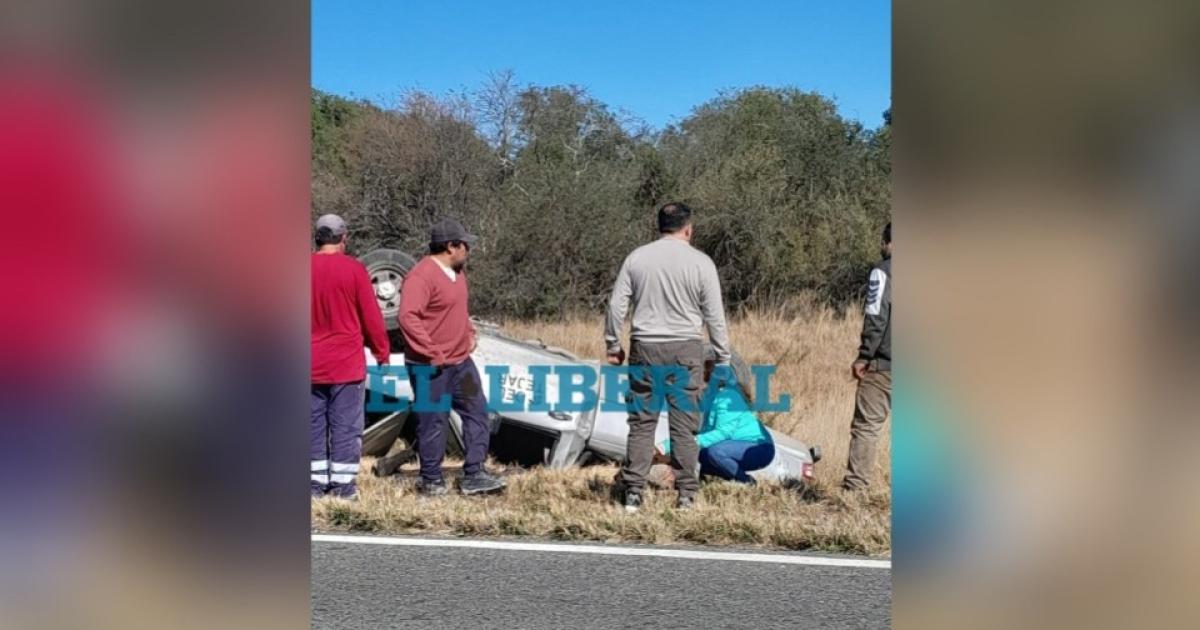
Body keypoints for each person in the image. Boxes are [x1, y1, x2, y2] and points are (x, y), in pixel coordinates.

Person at [605, 202, 732, 512]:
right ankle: (686, 493)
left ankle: (634, 491)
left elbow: (616, 306)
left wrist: (612, 344)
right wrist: (723, 357)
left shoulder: (637, 258)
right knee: (684, 425)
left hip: (645, 347)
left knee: (642, 423)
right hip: (685, 349)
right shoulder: (701, 263)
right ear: (688, 228)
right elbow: (715, 316)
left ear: (659, 226)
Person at [398, 218, 505, 497]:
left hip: (461, 364)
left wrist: (469, 330)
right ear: (450, 246)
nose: (468, 249)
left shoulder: (458, 273)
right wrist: (432, 351)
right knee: (433, 421)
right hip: (429, 366)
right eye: (464, 244)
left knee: (478, 412)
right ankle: (431, 479)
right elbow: (408, 317)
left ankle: (475, 473)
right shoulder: (420, 277)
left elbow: (458, 309)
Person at [311, 214, 390, 499]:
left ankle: (313, 486)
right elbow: (371, 316)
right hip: (345, 365)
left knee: (313, 427)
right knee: (345, 427)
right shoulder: (354, 270)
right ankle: (343, 488)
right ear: (343, 238)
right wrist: (382, 351)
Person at [658, 349, 775, 484]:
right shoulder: (708, 399)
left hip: (759, 447)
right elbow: (699, 432)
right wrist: (665, 447)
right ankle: (709, 483)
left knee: (716, 452)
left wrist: (690, 443)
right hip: (733, 444)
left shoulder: (728, 397)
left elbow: (722, 433)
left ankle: (746, 482)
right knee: (702, 454)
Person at [842, 222, 892, 491]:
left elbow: (876, 316)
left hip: (885, 364)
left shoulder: (882, 273)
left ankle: (856, 488)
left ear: (889, 242)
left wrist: (864, 355)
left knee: (867, 427)